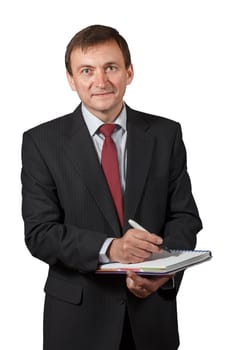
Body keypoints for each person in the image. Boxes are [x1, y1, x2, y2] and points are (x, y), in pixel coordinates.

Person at [21, 24, 202, 350]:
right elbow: (40, 233)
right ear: (71, 79)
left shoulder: (165, 134)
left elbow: (184, 217)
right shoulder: (42, 143)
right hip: (76, 323)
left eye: (111, 68)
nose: (100, 81)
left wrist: (162, 273)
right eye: (87, 70)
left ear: (129, 72)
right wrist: (110, 248)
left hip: (151, 321)